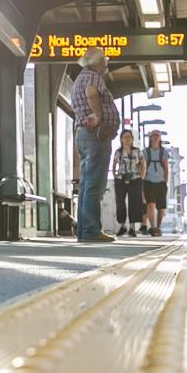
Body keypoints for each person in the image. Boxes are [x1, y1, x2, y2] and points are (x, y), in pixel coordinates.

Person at [69, 49, 116, 243]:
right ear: (97, 63)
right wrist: (97, 115)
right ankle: (91, 231)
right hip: (95, 135)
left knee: (86, 185)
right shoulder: (93, 77)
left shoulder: (80, 78)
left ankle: (84, 231)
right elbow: (91, 93)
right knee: (95, 185)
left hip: (83, 134)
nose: (106, 66)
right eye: (104, 62)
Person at [111, 129, 145, 237]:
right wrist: (115, 176)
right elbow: (114, 164)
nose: (127, 139)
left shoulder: (137, 151)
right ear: (121, 139)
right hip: (121, 178)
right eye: (125, 137)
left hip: (135, 179)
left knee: (134, 203)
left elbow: (143, 163)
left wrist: (141, 178)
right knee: (120, 202)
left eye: (129, 137)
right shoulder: (118, 152)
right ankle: (122, 226)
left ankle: (132, 227)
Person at [141, 129, 170, 237]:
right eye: (153, 135)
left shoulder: (164, 152)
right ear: (150, 138)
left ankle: (158, 227)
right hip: (148, 181)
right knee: (150, 204)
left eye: (157, 135)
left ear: (160, 138)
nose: (155, 137)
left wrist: (166, 181)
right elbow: (142, 167)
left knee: (161, 208)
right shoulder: (145, 152)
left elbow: (166, 168)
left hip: (161, 182)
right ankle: (152, 227)